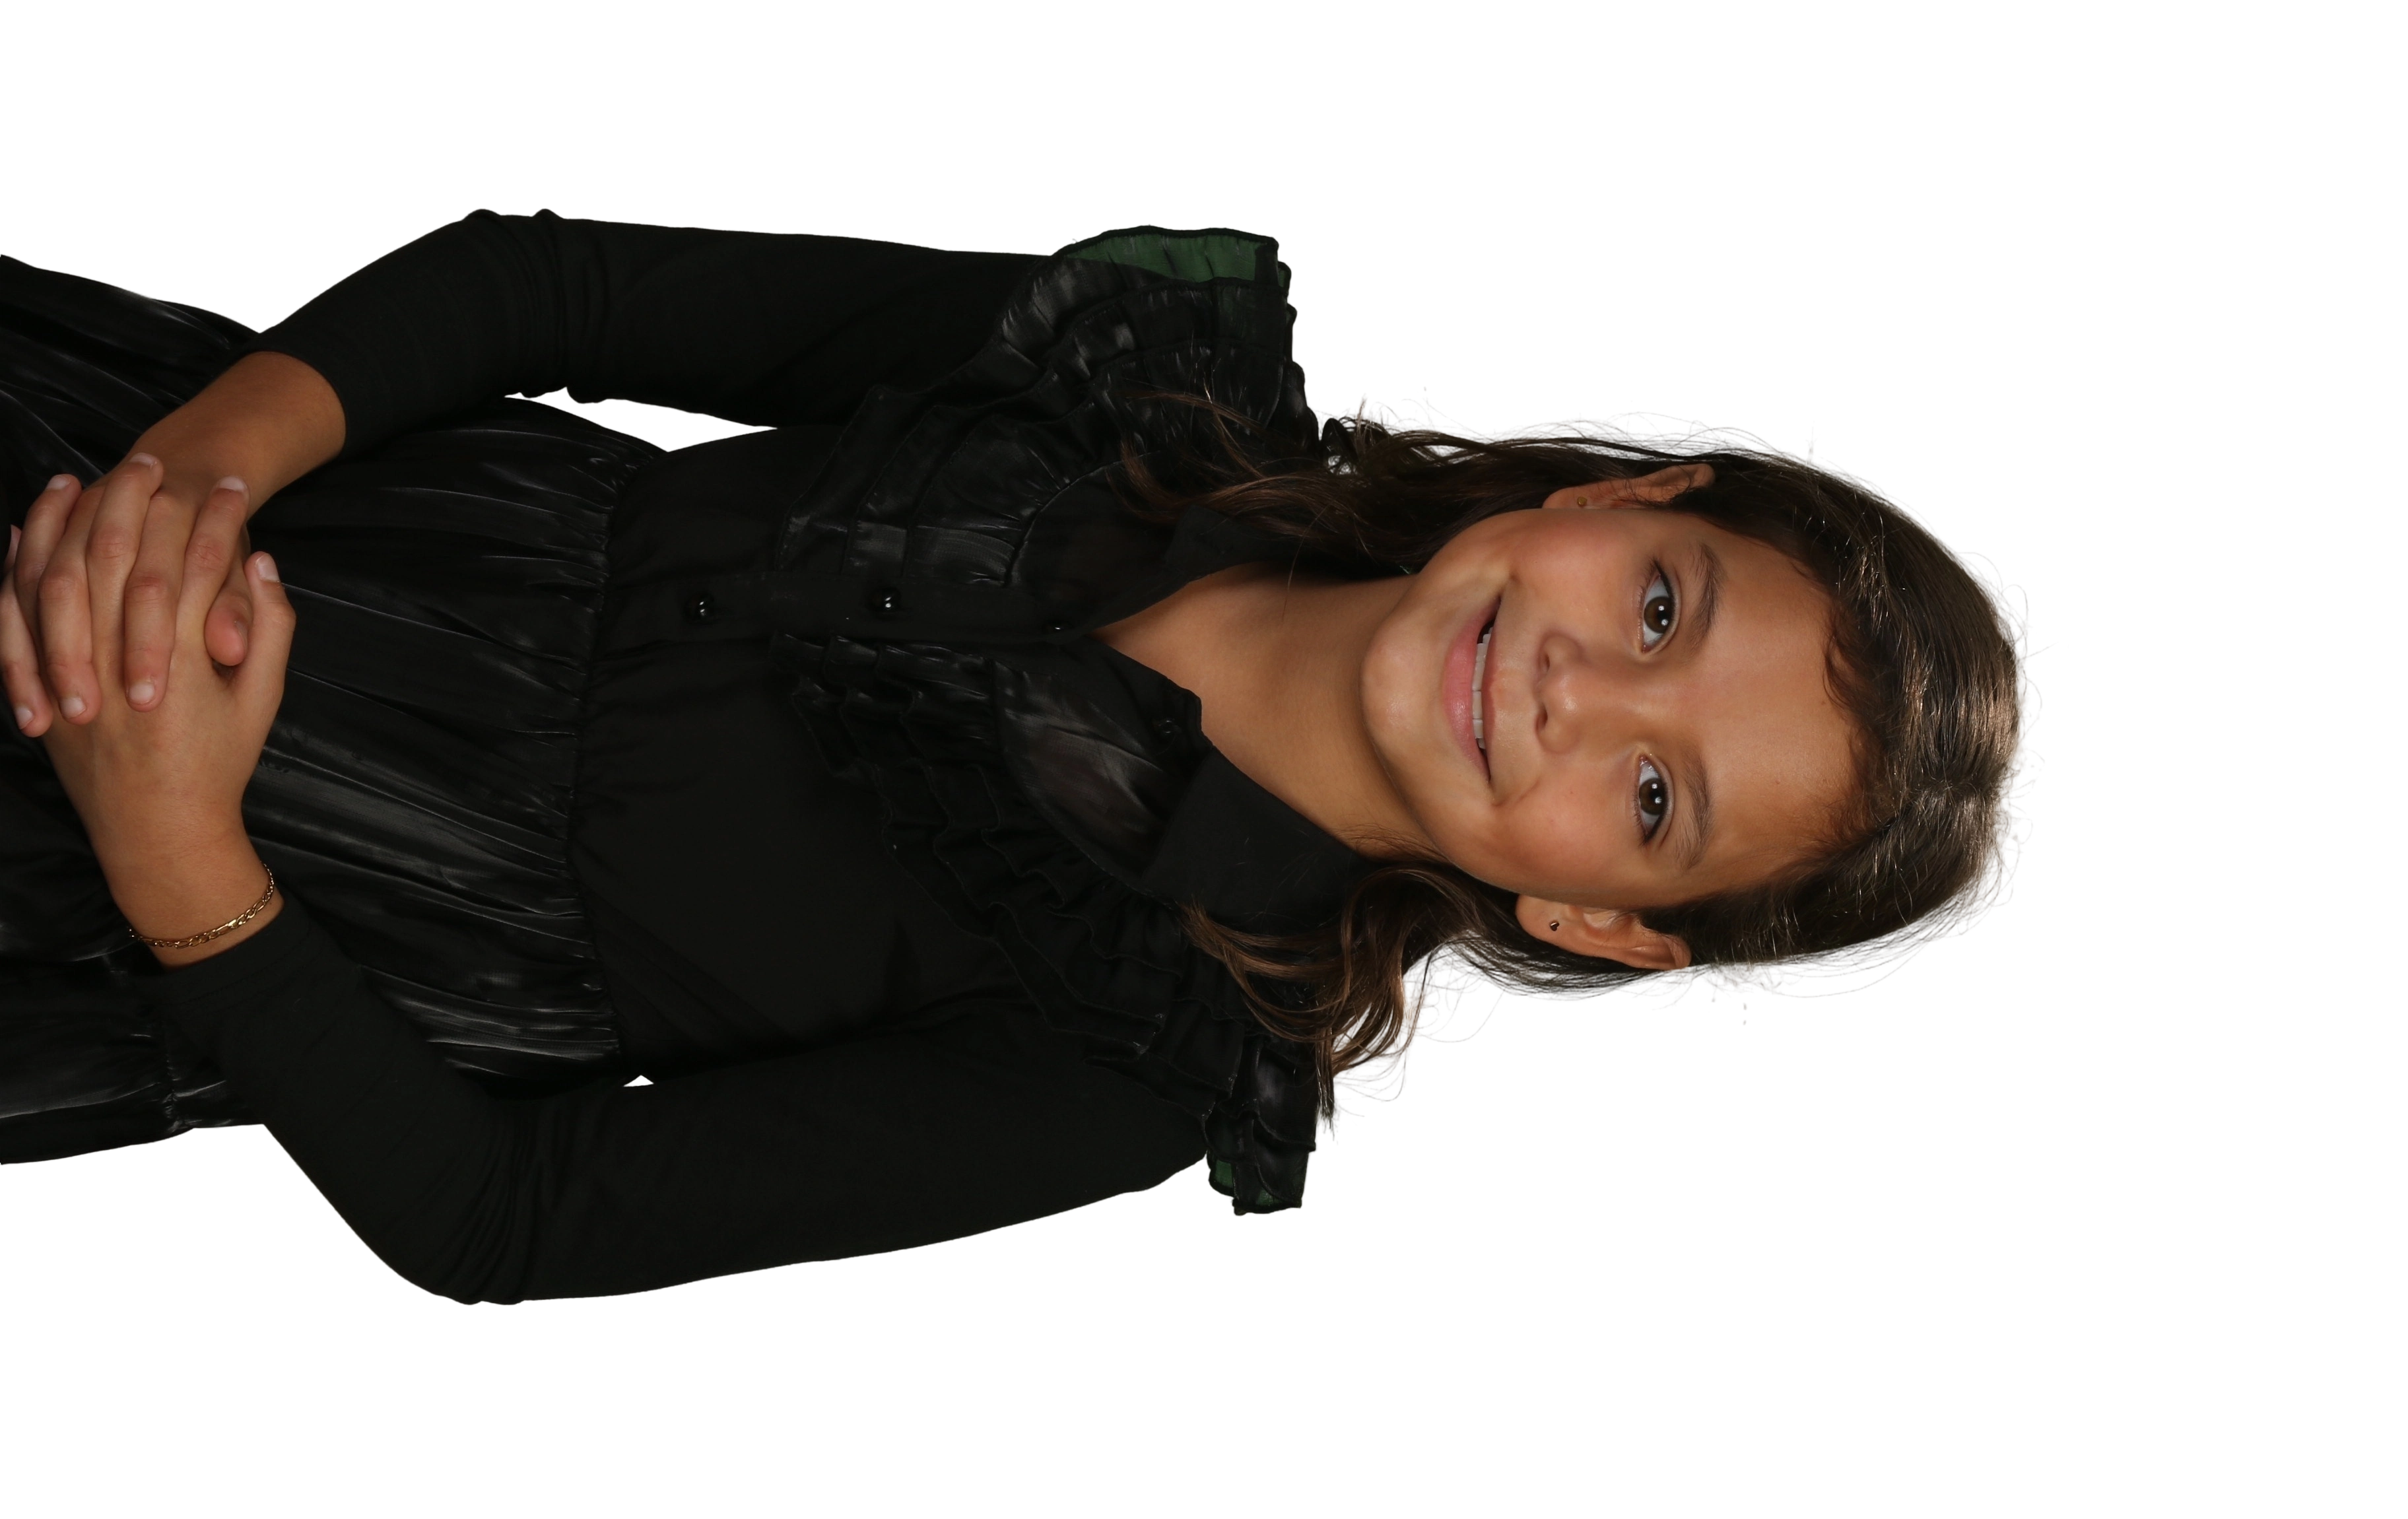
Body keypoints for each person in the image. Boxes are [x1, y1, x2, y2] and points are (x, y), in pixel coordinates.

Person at [0, 210, 2042, 1303]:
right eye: (1665, 606)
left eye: (1655, 798)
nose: (1577, 692)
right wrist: (185, 492)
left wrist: (174, 848)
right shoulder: (1134, 392)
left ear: (1602, 921)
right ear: (1626, 490)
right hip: (162, 484)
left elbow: (502, 1220)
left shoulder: (1142, 1053)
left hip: (141, 904)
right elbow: (558, 283)